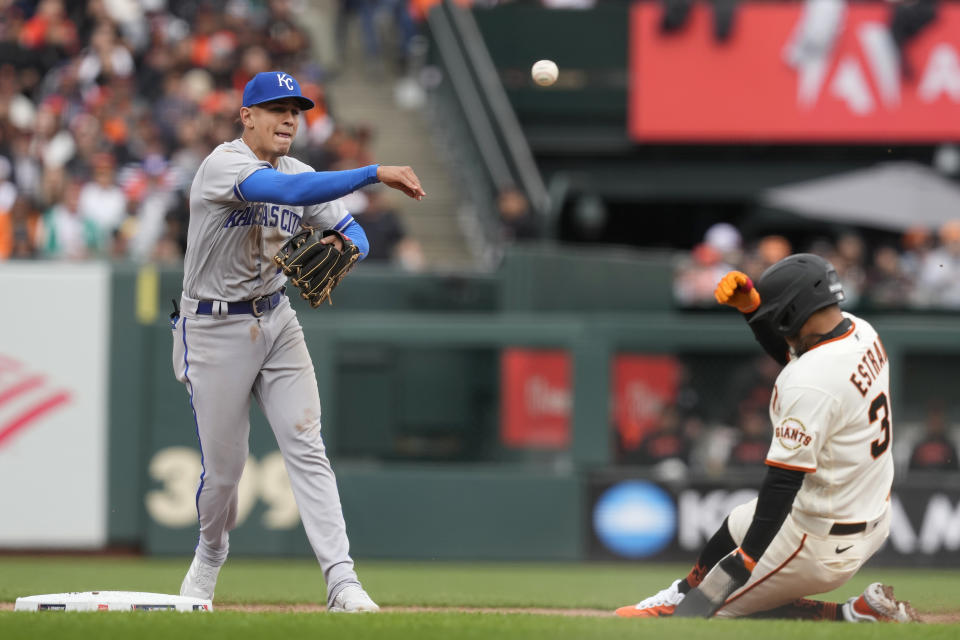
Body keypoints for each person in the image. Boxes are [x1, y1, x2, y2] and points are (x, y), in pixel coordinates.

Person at [171, 70, 425, 612]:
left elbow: (352, 230)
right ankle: (210, 555)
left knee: (307, 445)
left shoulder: (300, 168)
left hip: (276, 319)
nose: (290, 118)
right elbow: (285, 192)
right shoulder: (225, 165)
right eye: (277, 108)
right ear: (247, 116)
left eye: (297, 109)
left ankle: (342, 581)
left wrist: (343, 242)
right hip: (213, 328)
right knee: (226, 471)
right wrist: (374, 171)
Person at [616, 254, 918, 622]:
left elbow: (782, 481)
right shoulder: (860, 330)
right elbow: (802, 358)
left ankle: (847, 615)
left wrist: (749, 559)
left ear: (793, 311)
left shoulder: (810, 380)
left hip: (819, 538)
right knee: (736, 524)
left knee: (704, 614)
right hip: (866, 513)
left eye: (778, 314)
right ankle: (682, 590)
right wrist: (753, 308)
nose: (776, 323)